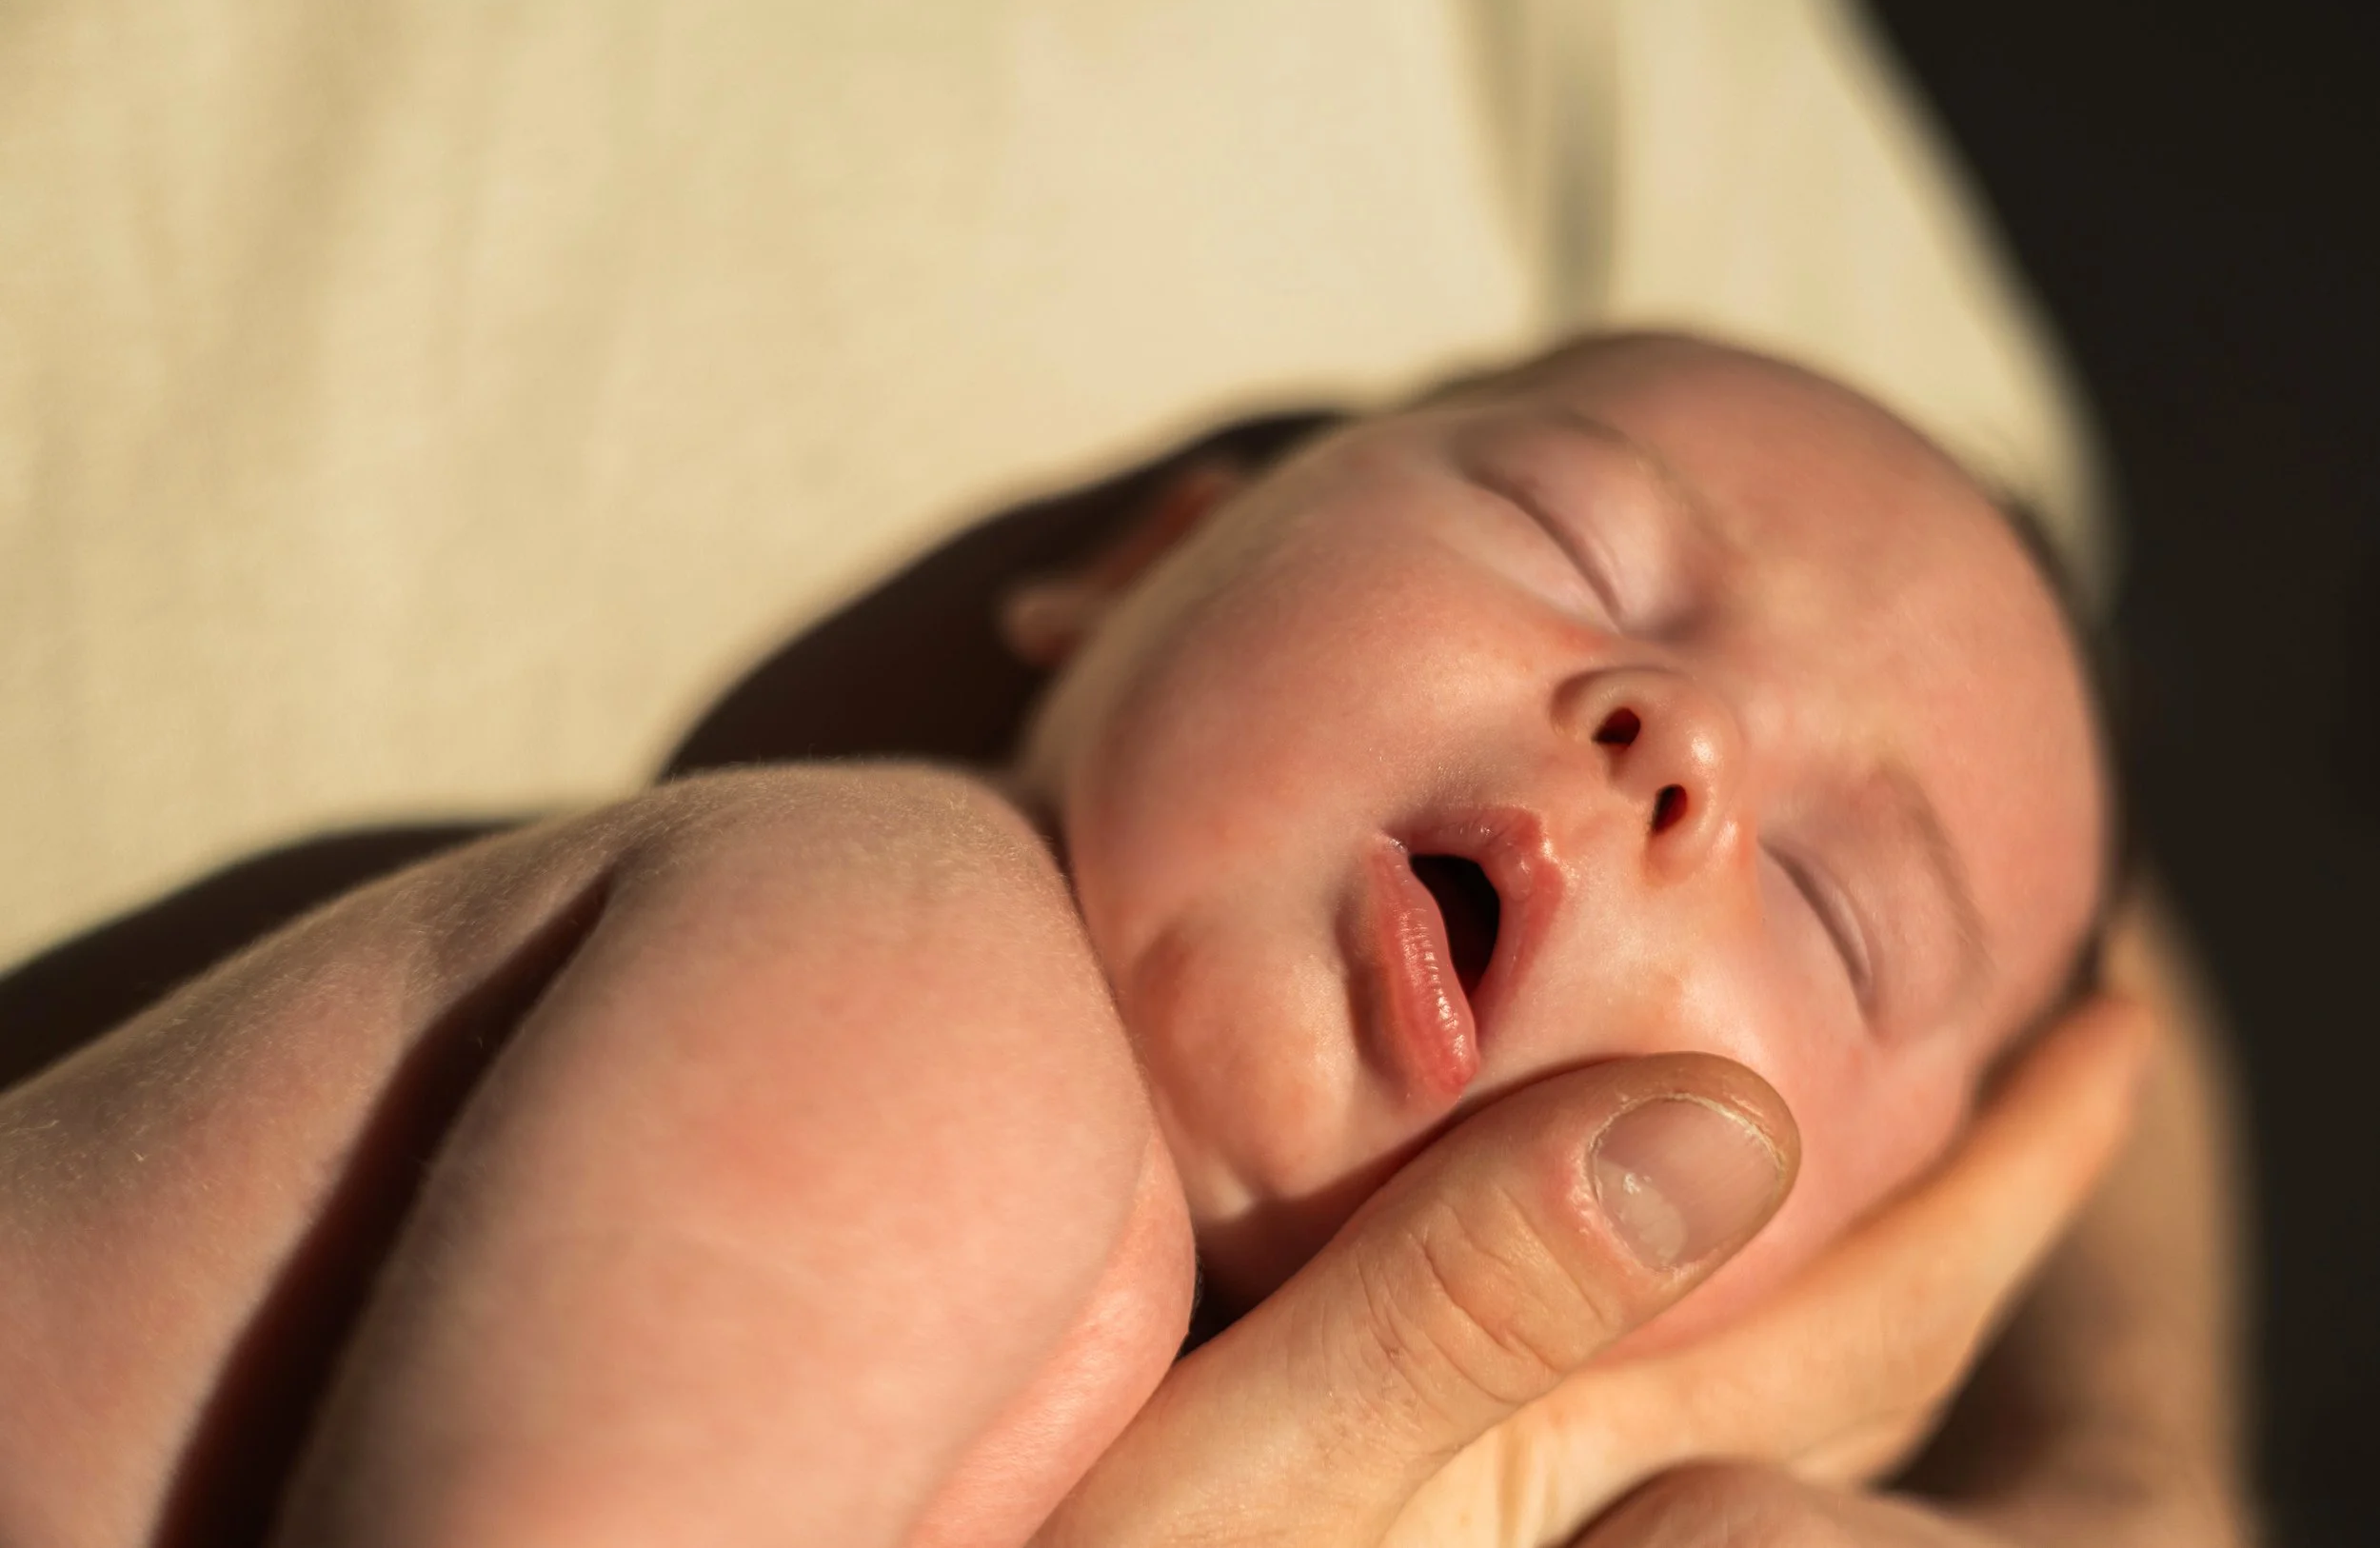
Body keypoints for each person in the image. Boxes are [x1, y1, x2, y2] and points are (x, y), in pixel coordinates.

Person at [0, 332, 2146, 1546]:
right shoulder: (909, 964)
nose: (1678, 750)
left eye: (1839, 911)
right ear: (1142, 564)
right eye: (1571, 537)